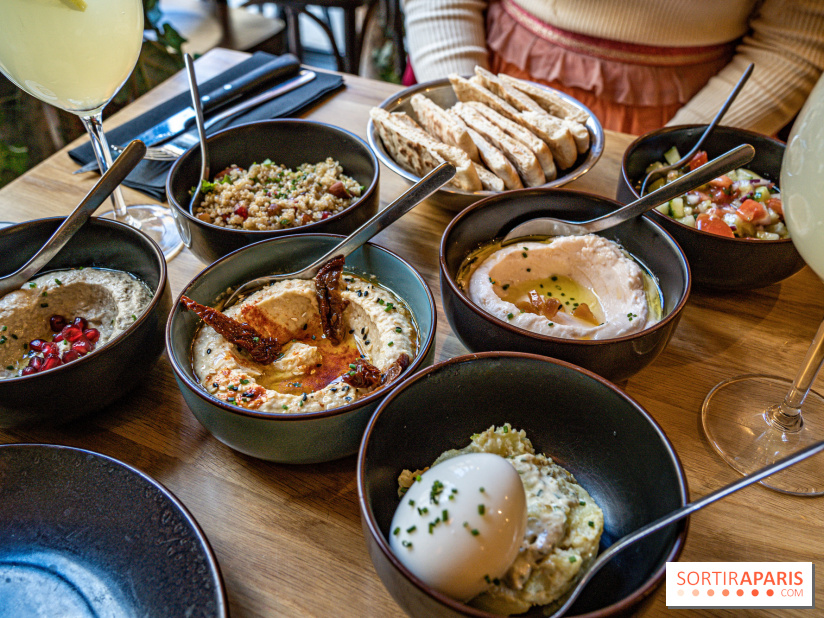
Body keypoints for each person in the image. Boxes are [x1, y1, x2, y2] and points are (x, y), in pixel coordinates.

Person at [403, 0, 824, 135]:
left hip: (695, 108)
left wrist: (664, 157)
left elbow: (795, 39)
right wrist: (468, 112)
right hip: (486, 71)